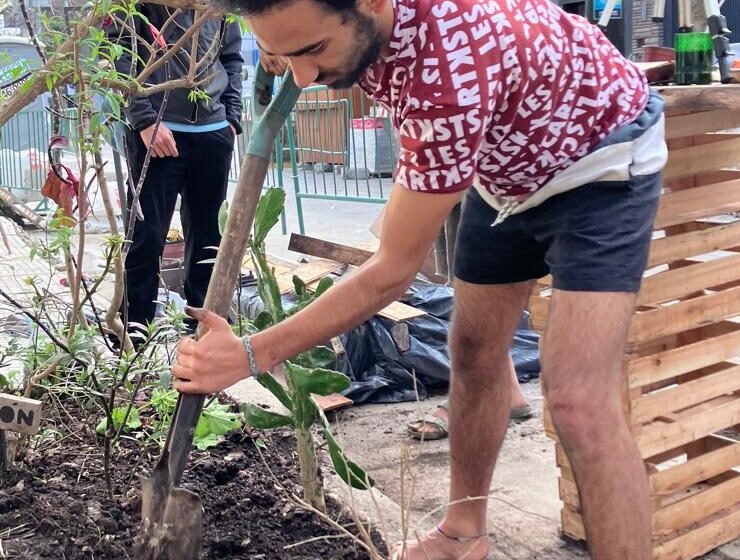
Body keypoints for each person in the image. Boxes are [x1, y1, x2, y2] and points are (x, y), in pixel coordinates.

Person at [172, 1, 667, 559]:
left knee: (579, 403)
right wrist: (281, 45)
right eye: (286, 53)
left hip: (598, 156)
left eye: (313, 51)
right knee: (475, 351)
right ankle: (462, 533)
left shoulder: (449, 75)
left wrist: (251, 352)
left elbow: (391, 272)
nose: (303, 78)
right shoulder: (340, 24)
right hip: (504, 162)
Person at [108, 5, 244, 336]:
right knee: (146, 236)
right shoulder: (135, 6)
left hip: (212, 131)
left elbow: (232, 58)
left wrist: (232, 118)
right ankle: (133, 336)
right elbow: (120, 55)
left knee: (209, 237)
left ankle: (204, 331)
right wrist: (144, 120)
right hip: (156, 131)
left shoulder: (219, 6)